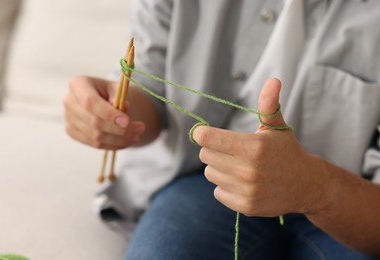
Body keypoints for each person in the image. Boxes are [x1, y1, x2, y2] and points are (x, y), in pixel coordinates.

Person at [63, 0, 380, 259]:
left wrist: (313, 187)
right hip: (205, 184)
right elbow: (148, 88)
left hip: (352, 202)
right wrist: (114, 113)